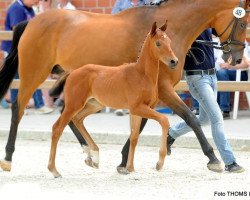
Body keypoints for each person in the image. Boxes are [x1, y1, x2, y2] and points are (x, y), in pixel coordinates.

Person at [166, 29, 244, 173]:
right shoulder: (188, 25)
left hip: (212, 76)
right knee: (217, 118)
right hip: (197, 79)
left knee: (205, 119)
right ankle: (230, 162)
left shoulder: (207, 23)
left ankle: (171, 134)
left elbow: (223, 29)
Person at [1, 0, 53, 114]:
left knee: (31, 75)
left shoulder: (28, 8)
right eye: (35, 0)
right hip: (14, 49)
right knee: (17, 78)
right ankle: (20, 106)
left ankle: (35, 105)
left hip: (26, 49)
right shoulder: (16, 9)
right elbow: (17, 29)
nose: (36, 2)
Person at [112, 0, 147, 116]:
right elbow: (113, 19)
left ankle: (134, 104)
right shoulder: (121, 2)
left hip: (142, 42)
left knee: (137, 75)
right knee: (122, 73)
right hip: (123, 42)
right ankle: (120, 105)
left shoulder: (147, 2)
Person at [215, 42, 249, 119]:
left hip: (241, 74)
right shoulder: (223, 44)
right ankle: (222, 109)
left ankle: (224, 109)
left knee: (221, 74)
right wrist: (231, 65)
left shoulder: (241, 43)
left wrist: (229, 66)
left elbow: (246, 64)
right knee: (219, 74)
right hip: (224, 73)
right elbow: (221, 64)